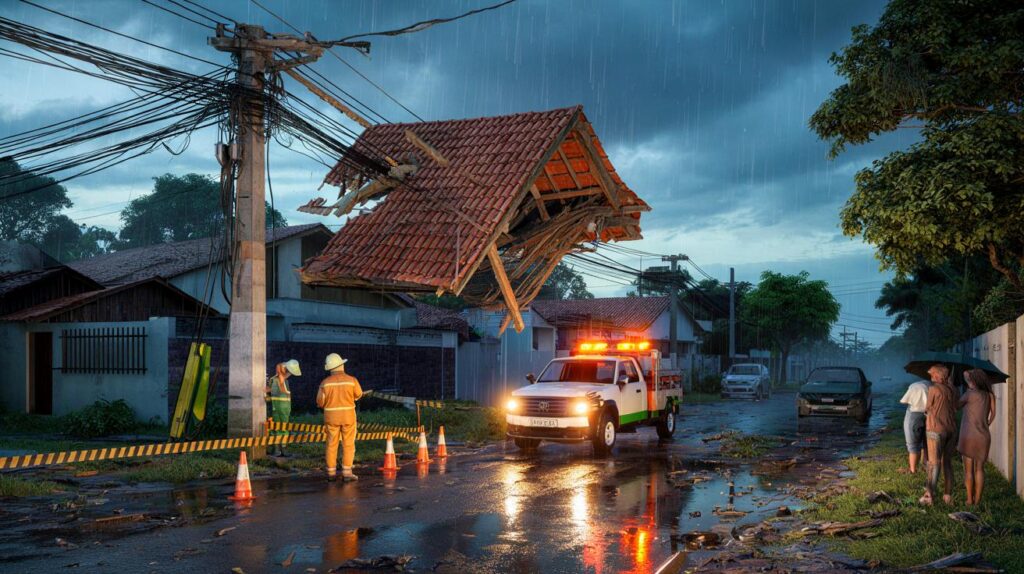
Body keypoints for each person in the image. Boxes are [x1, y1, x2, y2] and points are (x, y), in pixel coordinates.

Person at [317, 353, 363, 482]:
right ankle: (347, 473)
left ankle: (331, 473)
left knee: (331, 444)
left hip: (331, 417)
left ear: (330, 368)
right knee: (348, 444)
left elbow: (320, 402)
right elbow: (358, 394)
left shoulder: (325, 383)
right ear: (341, 365)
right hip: (348, 416)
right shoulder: (352, 380)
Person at [921, 363, 959, 505]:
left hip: (935, 429)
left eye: (932, 374)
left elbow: (927, 408)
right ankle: (947, 496)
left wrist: (927, 412)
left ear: (938, 375)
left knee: (933, 463)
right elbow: (956, 407)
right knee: (947, 463)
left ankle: (929, 495)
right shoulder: (953, 390)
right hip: (951, 429)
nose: (931, 376)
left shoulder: (933, 389)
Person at [959, 369, 996, 506]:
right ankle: (978, 501)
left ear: (974, 381)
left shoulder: (969, 394)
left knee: (968, 470)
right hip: (983, 435)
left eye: (969, 379)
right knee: (980, 469)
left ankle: (969, 499)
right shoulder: (989, 395)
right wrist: (986, 424)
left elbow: (956, 406)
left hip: (968, 434)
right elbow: (993, 414)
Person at [266, 359, 301, 457]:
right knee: (281, 428)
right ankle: (280, 448)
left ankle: (278, 449)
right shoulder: (279, 380)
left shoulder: (277, 380)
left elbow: (270, 393)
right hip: (281, 408)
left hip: (279, 408)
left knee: (278, 428)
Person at [899, 378, 930, 473]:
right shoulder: (930, 385)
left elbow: (904, 401)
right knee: (927, 442)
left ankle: (912, 470)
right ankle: (926, 465)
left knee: (912, 444)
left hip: (914, 415)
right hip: (929, 413)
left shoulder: (915, 387)